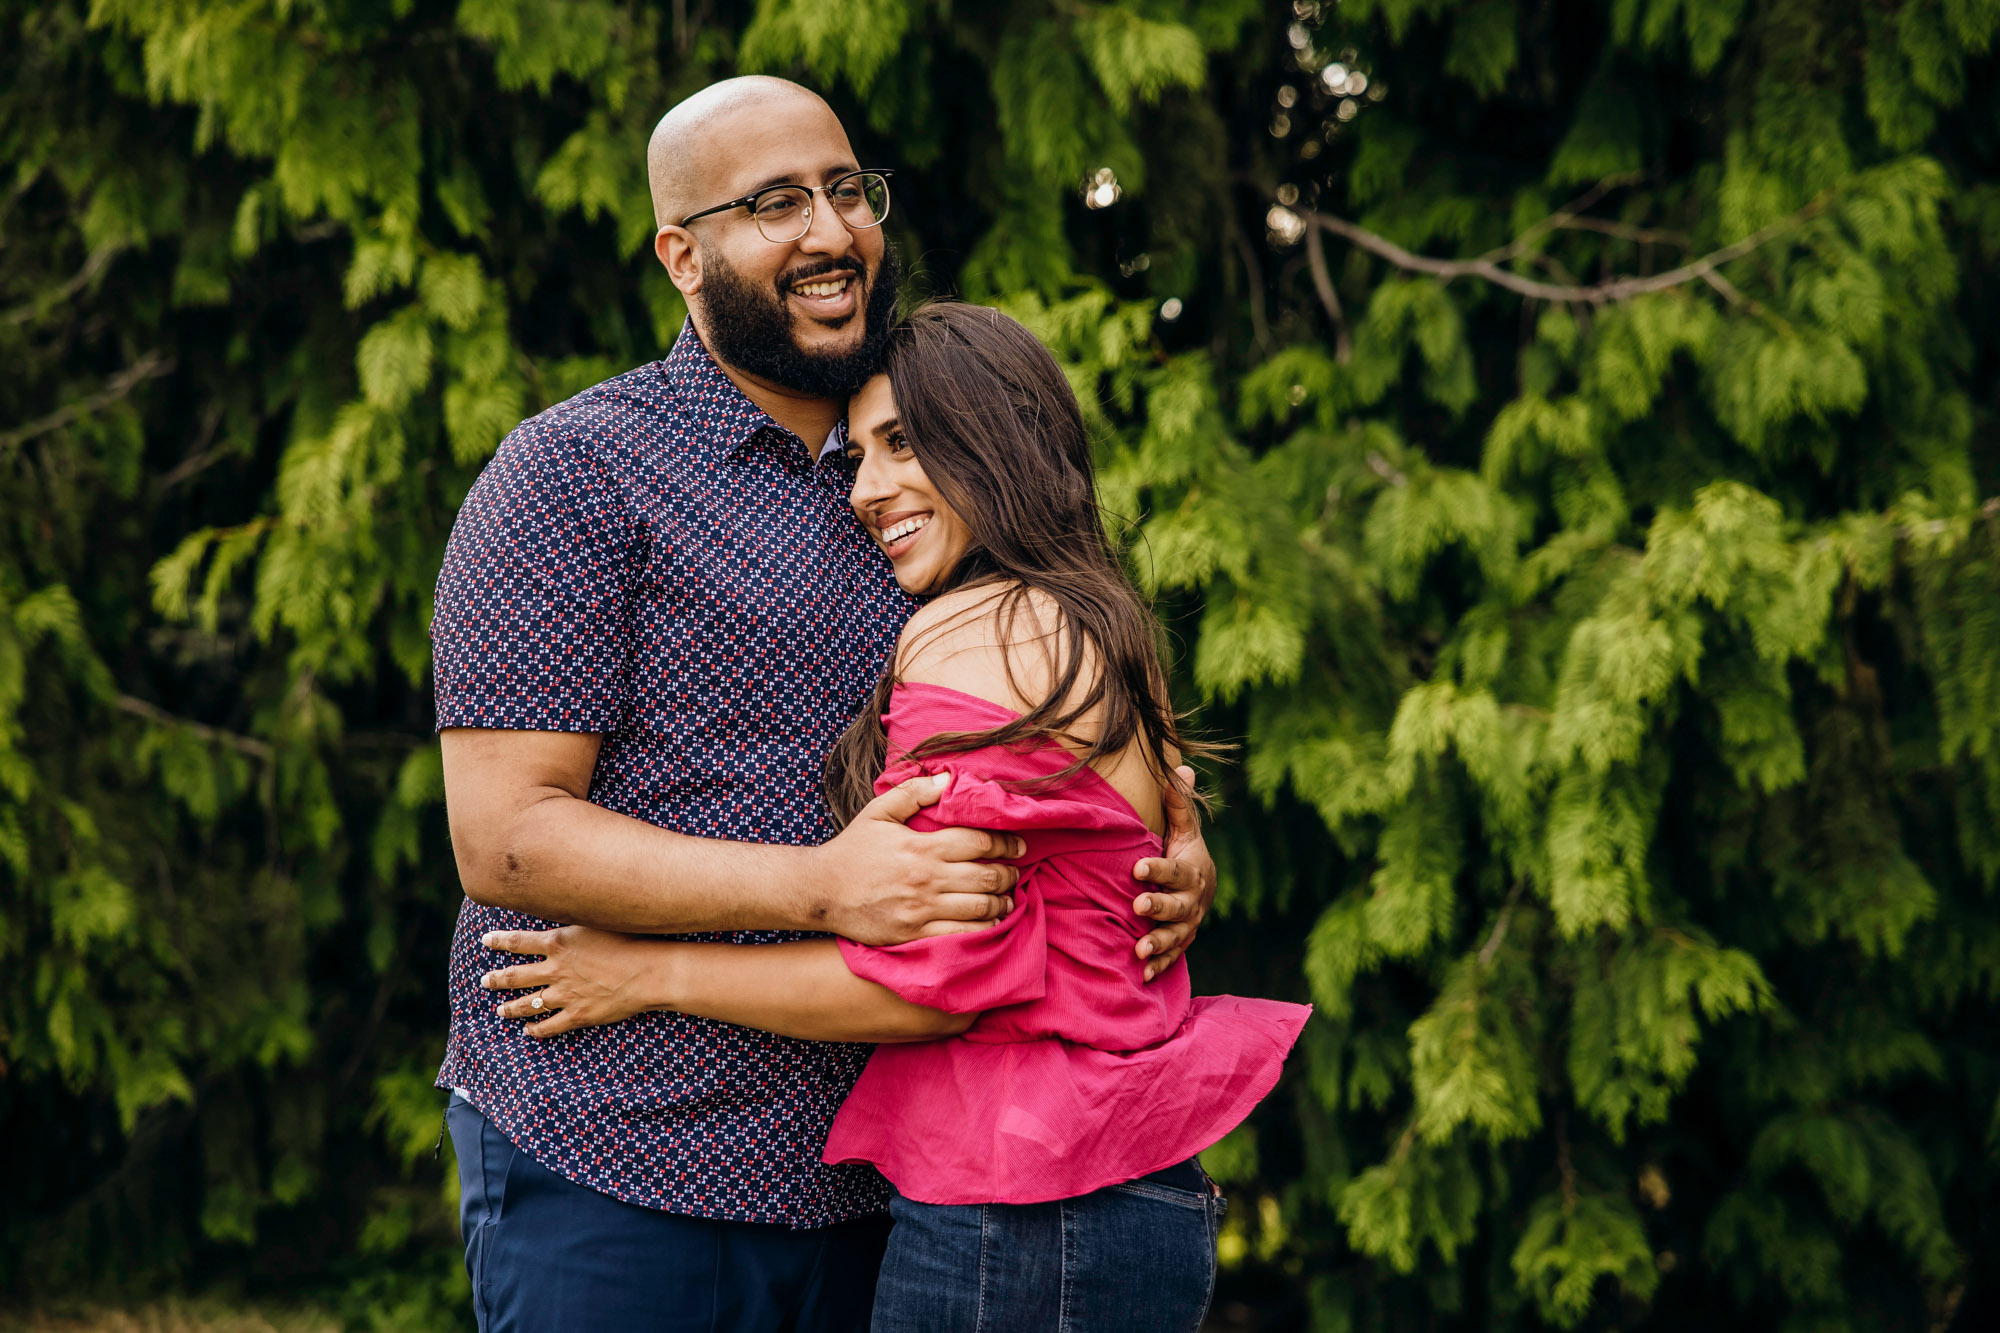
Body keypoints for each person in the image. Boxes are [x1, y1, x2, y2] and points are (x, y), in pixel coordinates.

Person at [429, 78, 1218, 1333]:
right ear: (682, 255)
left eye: (846, 191)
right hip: (621, 1161)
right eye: (774, 203)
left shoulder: (928, 478)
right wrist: (823, 886)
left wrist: (1159, 856)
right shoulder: (572, 475)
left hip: (889, 1191)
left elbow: (1072, 730)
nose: (829, 230)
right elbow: (505, 836)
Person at [481, 302, 1312, 1332]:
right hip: (1095, 1185)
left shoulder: (971, 633)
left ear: (993, 443)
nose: (867, 490)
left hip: (1026, 1200)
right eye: (858, 452)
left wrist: (647, 972)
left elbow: (936, 985)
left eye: (903, 444)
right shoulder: (1087, 613)